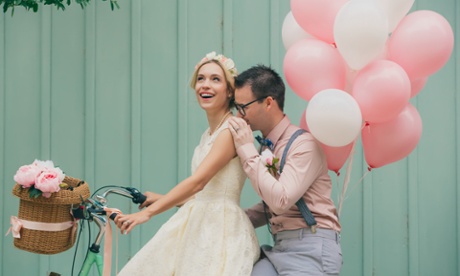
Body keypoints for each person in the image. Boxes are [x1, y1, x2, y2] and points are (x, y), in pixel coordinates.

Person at [114, 52, 260, 276]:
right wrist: (163, 199)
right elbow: (204, 196)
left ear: (230, 91)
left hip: (220, 229)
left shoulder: (231, 129)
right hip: (198, 222)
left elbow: (199, 182)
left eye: (215, 79)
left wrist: (148, 213)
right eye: (200, 79)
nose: (205, 85)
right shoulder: (207, 134)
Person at [227, 65, 342, 276]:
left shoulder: (303, 145)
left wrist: (246, 149)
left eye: (243, 107)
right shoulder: (267, 146)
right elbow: (270, 206)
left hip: (310, 248)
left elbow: (280, 201)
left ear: (269, 102)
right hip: (278, 249)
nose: (239, 115)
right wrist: (226, 217)